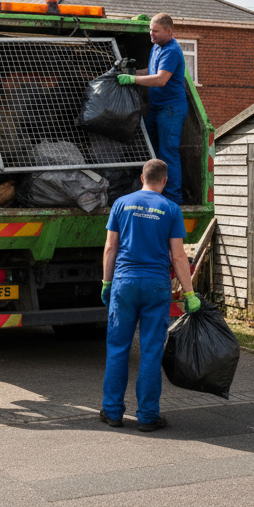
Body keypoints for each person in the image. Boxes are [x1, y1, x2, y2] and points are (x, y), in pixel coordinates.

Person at [99, 158, 201, 431]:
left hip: (125, 282)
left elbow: (110, 248)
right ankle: (147, 416)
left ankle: (112, 413)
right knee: (151, 351)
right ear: (164, 181)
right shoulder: (170, 209)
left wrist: (107, 283)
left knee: (118, 348)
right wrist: (189, 293)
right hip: (156, 285)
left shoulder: (121, 204)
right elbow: (178, 256)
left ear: (141, 177)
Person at [117, 13, 189, 204]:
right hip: (158, 108)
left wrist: (132, 80)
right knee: (150, 149)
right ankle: (154, 193)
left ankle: (173, 199)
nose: (151, 34)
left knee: (168, 153)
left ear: (169, 31)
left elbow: (160, 79)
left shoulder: (172, 50)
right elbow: (151, 71)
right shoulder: (157, 48)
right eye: (150, 30)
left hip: (171, 109)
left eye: (155, 31)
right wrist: (130, 72)